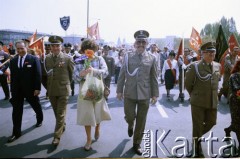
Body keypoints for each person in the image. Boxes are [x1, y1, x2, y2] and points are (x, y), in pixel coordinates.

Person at [116, 30, 159, 155]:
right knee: (130, 116)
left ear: (147, 43)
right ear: (135, 44)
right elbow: (122, 74)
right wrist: (119, 90)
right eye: (138, 42)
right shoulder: (128, 56)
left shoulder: (152, 58)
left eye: (143, 42)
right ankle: (130, 124)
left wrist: (155, 94)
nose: (141, 44)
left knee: (141, 120)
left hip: (144, 94)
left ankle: (137, 143)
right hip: (129, 92)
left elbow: (154, 77)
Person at [73, 39, 111, 151]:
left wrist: (94, 70)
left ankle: (98, 127)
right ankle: (88, 139)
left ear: (95, 50)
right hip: (84, 89)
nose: (89, 52)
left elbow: (105, 72)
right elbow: (74, 78)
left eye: (92, 50)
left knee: (98, 111)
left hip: (98, 87)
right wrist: (82, 74)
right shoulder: (79, 60)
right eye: (86, 50)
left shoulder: (99, 59)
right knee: (86, 114)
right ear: (83, 50)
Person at [185, 41, 221, 157]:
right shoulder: (195, 66)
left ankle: (196, 137)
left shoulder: (217, 65)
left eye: (213, 52)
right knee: (198, 125)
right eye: (209, 52)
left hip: (212, 101)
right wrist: (194, 94)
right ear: (202, 53)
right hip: (198, 101)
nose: (212, 55)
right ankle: (197, 146)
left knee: (212, 122)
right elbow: (188, 84)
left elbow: (216, 82)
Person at [8, 40, 43, 143]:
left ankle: (39, 118)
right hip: (17, 91)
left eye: (22, 48)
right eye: (18, 49)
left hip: (31, 90)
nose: (20, 50)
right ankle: (16, 133)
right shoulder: (13, 61)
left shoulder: (33, 59)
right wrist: (11, 90)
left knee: (36, 106)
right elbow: (13, 77)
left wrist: (37, 88)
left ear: (26, 48)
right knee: (16, 112)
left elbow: (38, 74)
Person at [45, 35, 74, 146]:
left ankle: (57, 136)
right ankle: (62, 125)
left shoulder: (67, 58)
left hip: (63, 89)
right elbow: (46, 74)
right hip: (52, 89)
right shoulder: (47, 58)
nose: (55, 48)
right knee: (56, 112)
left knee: (60, 113)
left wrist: (67, 85)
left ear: (61, 46)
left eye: (57, 46)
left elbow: (71, 74)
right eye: (53, 46)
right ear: (50, 47)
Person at [224, 59, 240, 153]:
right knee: (237, 123)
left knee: (237, 123)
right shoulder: (234, 76)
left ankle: (228, 129)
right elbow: (237, 89)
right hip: (236, 102)